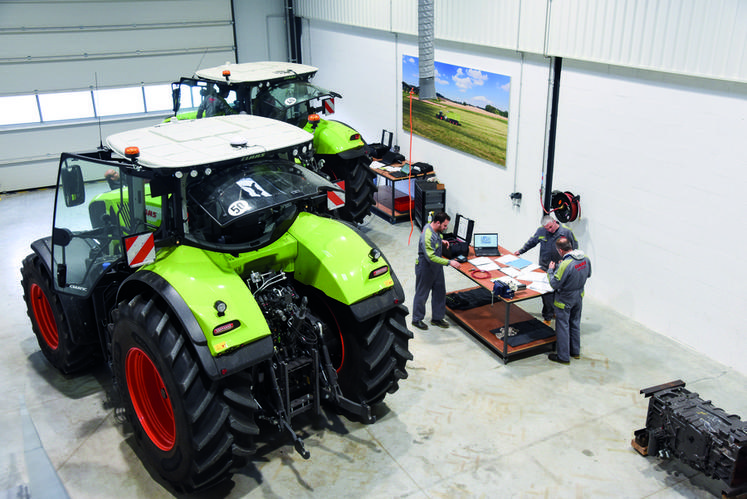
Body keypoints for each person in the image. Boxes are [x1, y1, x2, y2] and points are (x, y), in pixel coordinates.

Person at [514, 215, 577, 323]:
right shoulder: (541, 231)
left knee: (559, 292)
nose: (549, 230)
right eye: (547, 228)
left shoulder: (566, 232)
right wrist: (520, 251)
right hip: (545, 267)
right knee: (547, 293)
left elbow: (574, 248)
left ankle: (556, 312)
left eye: (550, 227)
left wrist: (568, 261)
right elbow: (531, 242)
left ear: (554, 222)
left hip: (561, 267)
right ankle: (547, 317)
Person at [412, 212, 461, 330]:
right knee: (422, 294)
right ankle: (417, 319)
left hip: (436, 267)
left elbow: (437, 236)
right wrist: (450, 262)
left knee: (439, 291)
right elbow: (431, 257)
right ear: (438, 223)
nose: (445, 228)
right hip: (426, 267)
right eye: (444, 226)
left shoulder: (433, 227)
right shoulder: (427, 236)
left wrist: (441, 240)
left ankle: (437, 318)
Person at [546, 236, 591, 364]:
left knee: (563, 327)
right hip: (579, 296)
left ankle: (563, 357)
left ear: (560, 250)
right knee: (575, 323)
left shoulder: (565, 264)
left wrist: (551, 270)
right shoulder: (585, 259)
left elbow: (554, 284)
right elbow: (588, 274)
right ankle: (575, 352)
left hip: (564, 300)